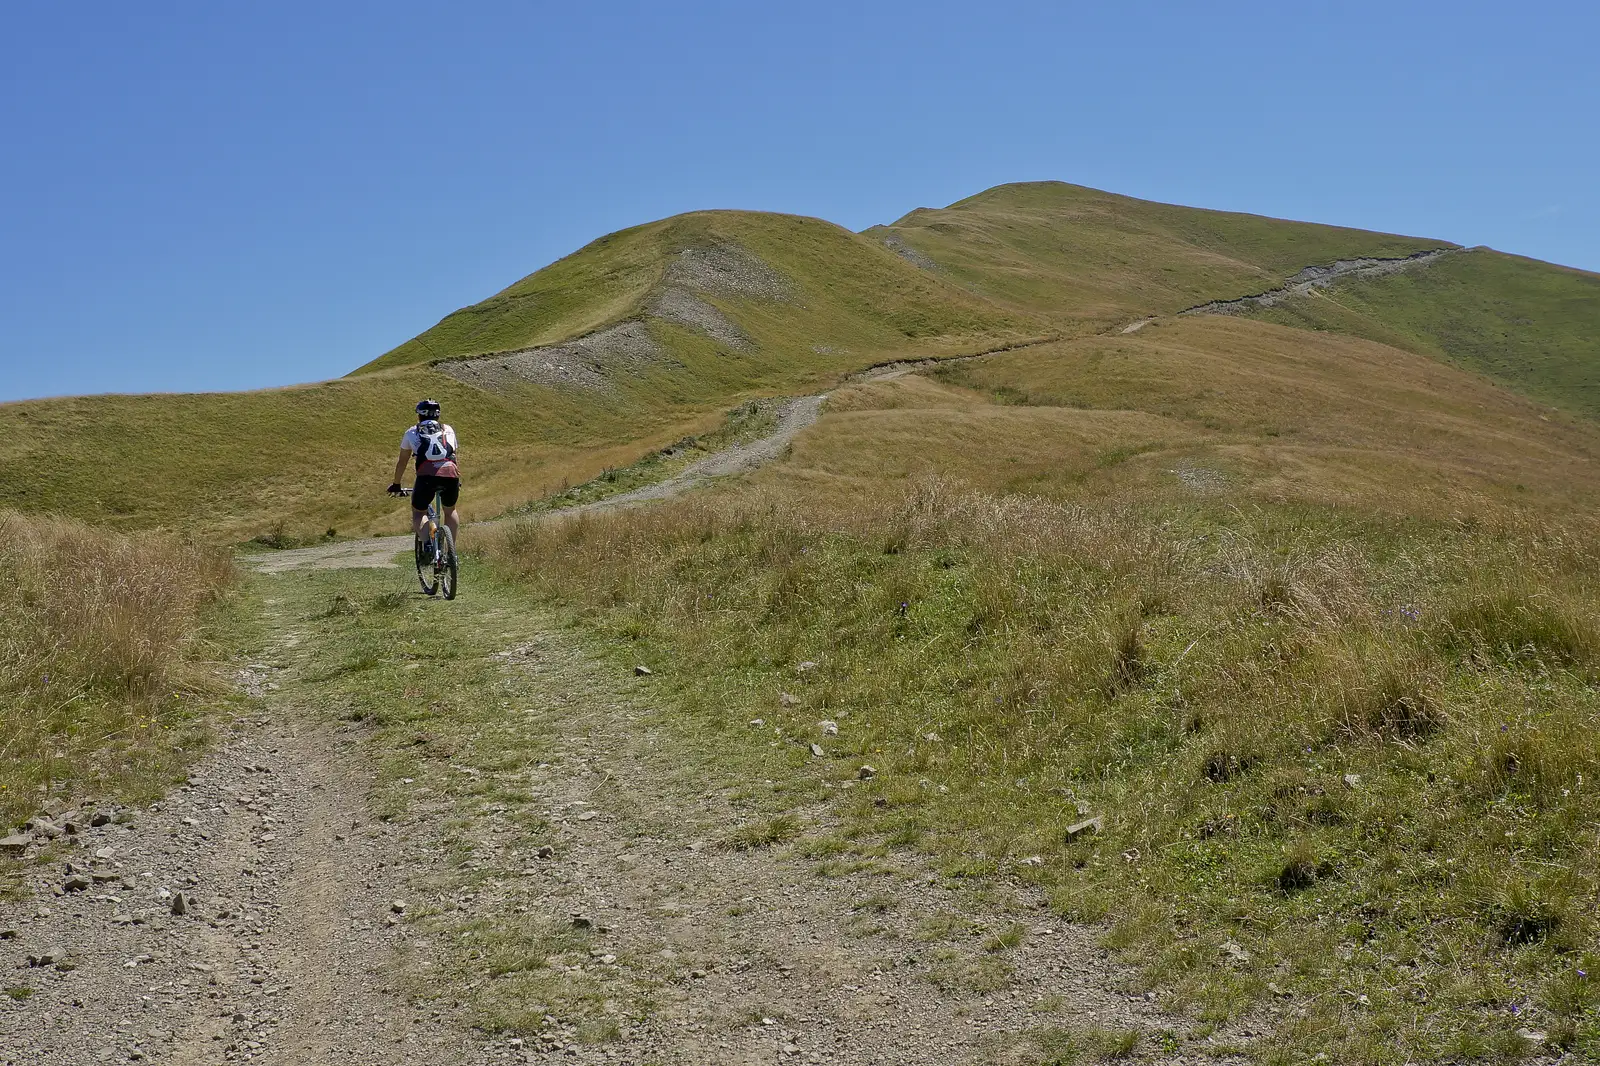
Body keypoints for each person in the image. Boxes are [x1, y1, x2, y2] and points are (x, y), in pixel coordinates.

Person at [387, 399, 460, 556]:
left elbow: (402, 462)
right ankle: (451, 552)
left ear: (419, 415)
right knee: (450, 510)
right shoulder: (448, 430)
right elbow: (453, 455)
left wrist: (396, 484)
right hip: (451, 475)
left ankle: (428, 545)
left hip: (426, 477)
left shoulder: (412, 432)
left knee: (419, 512)